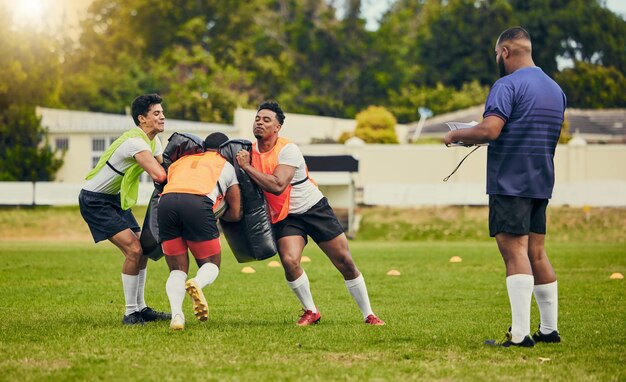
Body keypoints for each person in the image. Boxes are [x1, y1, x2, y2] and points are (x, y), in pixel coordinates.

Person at [444, 27, 566, 347]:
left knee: (514, 253)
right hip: (541, 181)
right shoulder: (555, 89)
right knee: (537, 252)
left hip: (510, 182)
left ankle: (521, 335)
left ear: (506, 52)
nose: (497, 59)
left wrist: (456, 135)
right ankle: (549, 330)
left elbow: (491, 130)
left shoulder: (506, 85)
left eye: (497, 54)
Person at [235, 101, 384, 326]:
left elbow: (277, 185)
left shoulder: (288, 150)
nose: (260, 122)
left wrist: (246, 167)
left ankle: (369, 314)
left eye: (267, 120)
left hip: (314, 209)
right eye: (257, 118)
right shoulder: (248, 152)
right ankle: (311, 311)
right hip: (286, 216)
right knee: (289, 260)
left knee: (344, 261)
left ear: (277, 128)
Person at [79, 93, 171, 325]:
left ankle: (141, 308)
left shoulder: (153, 141)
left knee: (144, 249)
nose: (162, 117)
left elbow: (167, 168)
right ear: (142, 119)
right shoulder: (135, 143)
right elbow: (160, 174)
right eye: (156, 113)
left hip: (114, 200)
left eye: (162, 112)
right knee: (134, 250)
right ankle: (130, 313)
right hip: (95, 201)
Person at [158, 132, 242, 331]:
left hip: (166, 203)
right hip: (198, 203)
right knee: (212, 264)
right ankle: (197, 282)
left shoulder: (182, 161)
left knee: (177, 269)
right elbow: (236, 213)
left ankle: (177, 316)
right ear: (226, 149)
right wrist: (217, 213)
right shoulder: (226, 165)